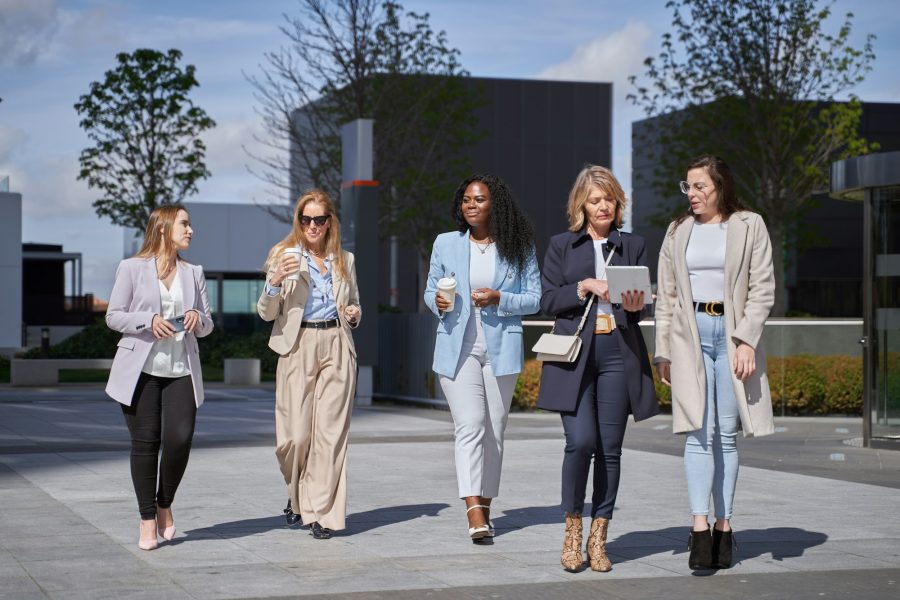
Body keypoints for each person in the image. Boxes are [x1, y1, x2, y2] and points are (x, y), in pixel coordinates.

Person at [654, 155, 775, 570]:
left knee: (724, 434)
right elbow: (667, 295)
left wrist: (745, 341)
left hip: (732, 335)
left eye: (700, 186)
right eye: (687, 186)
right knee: (695, 431)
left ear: (720, 186)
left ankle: (724, 528)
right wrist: (663, 350)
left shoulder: (749, 225)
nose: (692, 194)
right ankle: (700, 530)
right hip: (690, 336)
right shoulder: (677, 231)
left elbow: (762, 288)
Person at [537, 165, 658, 572]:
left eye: (608, 198)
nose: (602, 205)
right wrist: (584, 286)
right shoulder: (561, 245)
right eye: (594, 199)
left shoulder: (633, 245)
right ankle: (572, 531)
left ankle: (598, 536)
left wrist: (638, 303)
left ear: (617, 201)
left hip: (617, 351)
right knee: (581, 442)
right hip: (574, 354)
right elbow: (548, 300)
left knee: (610, 450)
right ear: (581, 205)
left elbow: (636, 311)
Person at [424, 173, 541, 542]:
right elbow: (430, 290)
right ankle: (473, 509)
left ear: (496, 204)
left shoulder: (518, 246)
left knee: (495, 432)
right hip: (457, 345)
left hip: (501, 346)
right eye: (466, 200)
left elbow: (535, 298)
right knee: (471, 424)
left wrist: (499, 298)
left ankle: (486, 508)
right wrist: (438, 302)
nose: (470, 206)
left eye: (479, 200)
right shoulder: (446, 243)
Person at [105, 204, 214, 551]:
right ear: (164, 227)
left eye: (190, 224)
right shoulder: (132, 268)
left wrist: (198, 316)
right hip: (141, 372)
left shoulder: (194, 272)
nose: (190, 230)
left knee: (180, 439)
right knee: (146, 444)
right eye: (184, 223)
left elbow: (209, 325)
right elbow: (113, 316)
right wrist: (147, 321)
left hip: (181, 370)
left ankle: (164, 502)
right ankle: (147, 518)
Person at [258, 189, 361, 540]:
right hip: (297, 345)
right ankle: (296, 496)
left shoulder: (345, 260)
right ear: (298, 223)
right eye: (306, 220)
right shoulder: (283, 256)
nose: (313, 225)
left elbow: (354, 303)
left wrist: (353, 313)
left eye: (319, 219)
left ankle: (322, 514)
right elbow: (267, 313)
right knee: (296, 437)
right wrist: (273, 283)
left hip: (336, 344)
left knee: (329, 437)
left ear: (330, 221)